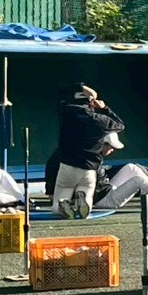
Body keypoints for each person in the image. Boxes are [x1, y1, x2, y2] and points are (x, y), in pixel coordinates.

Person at [51, 83, 125, 219]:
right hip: (89, 169)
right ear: (91, 103)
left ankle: (63, 204)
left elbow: (61, 97)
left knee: (58, 203)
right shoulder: (100, 120)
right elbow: (120, 125)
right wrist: (104, 108)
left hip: (67, 165)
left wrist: (81, 87)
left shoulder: (66, 112)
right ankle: (82, 198)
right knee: (87, 200)